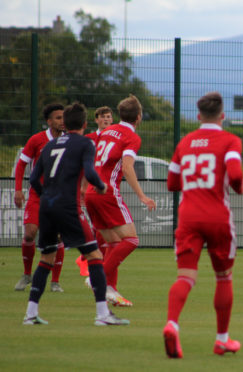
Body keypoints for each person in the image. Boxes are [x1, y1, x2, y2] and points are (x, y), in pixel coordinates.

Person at [23, 102, 128, 326]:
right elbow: (90, 171)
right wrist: (100, 186)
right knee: (95, 256)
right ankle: (102, 315)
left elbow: (33, 179)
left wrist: (46, 196)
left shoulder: (50, 146)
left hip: (46, 206)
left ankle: (30, 314)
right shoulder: (85, 143)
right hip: (68, 207)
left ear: (65, 123)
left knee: (46, 259)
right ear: (85, 123)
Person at [163, 92, 243, 358]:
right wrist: (240, 186)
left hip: (188, 217)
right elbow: (234, 174)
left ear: (198, 116)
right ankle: (222, 339)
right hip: (217, 217)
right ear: (222, 115)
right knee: (223, 277)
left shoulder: (185, 142)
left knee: (185, 277)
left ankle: (172, 324)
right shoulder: (230, 140)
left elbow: (172, 184)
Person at [85, 95, 156, 307]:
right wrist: (142, 196)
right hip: (107, 191)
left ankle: (110, 290)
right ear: (139, 117)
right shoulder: (131, 137)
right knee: (131, 240)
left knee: (113, 243)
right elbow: (127, 167)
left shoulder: (106, 131)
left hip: (91, 192)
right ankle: (96, 278)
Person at [13, 103, 66, 292]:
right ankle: (27, 274)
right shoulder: (37, 140)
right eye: (58, 118)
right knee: (29, 234)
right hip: (37, 195)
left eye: (64, 117)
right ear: (49, 121)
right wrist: (18, 190)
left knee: (57, 237)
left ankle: (55, 281)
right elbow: (21, 165)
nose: (62, 121)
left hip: (59, 196)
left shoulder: (69, 140)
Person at [76, 106, 114, 277]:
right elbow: (85, 166)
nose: (106, 120)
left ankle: (88, 259)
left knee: (102, 227)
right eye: (103, 117)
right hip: (93, 188)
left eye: (109, 117)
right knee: (99, 226)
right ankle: (90, 260)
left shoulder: (114, 138)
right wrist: (83, 186)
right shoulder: (90, 139)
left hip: (109, 188)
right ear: (96, 120)